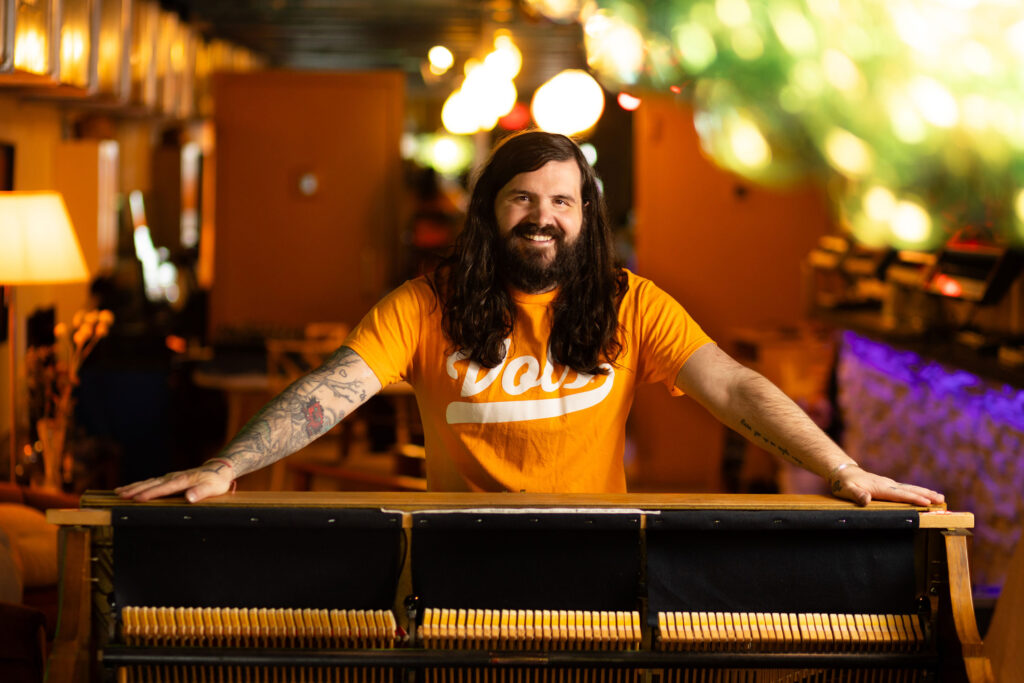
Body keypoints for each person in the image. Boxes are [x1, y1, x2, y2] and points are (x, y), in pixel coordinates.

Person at [117, 131, 944, 508]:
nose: (543, 216)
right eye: (523, 198)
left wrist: (842, 469)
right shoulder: (424, 304)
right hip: (454, 565)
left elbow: (731, 386)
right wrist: (229, 464)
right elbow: (331, 390)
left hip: (600, 563)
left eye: (562, 200)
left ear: (586, 215)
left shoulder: (630, 303)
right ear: (491, 210)